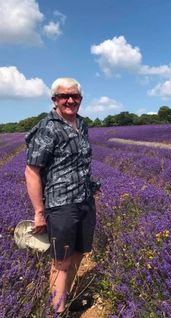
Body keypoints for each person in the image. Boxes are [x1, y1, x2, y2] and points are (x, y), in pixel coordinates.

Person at [25, 78, 98, 315]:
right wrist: (39, 212)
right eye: (64, 96)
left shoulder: (83, 124)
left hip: (85, 200)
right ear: (54, 100)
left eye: (75, 96)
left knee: (79, 253)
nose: (70, 100)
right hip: (60, 205)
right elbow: (32, 171)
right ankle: (58, 312)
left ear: (80, 99)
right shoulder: (47, 127)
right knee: (61, 262)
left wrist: (92, 185)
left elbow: (77, 162)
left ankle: (67, 298)